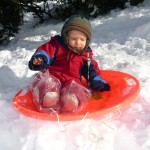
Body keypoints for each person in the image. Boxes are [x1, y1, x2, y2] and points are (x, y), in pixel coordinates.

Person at [28, 15, 110, 114]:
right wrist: (41, 59)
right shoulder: (56, 46)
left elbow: (91, 70)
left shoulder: (85, 55)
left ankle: (71, 100)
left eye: (82, 40)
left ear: (87, 41)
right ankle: (49, 97)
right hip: (52, 76)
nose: (78, 43)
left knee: (76, 89)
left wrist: (96, 80)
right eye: (74, 38)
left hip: (72, 80)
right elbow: (45, 51)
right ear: (66, 37)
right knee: (46, 83)